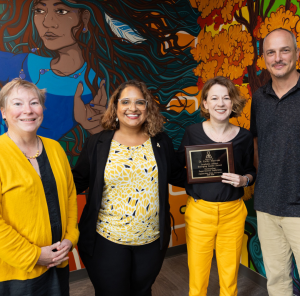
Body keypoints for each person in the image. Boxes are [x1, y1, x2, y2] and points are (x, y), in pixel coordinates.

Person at [0, 0, 201, 149]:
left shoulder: (101, 85)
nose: (47, 22)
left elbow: (120, 157)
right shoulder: (23, 61)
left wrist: (94, 128)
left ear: (84, 18)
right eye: (39, 10)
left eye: (61, 11)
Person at [72, 80, 186, 296]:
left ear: (147, 108)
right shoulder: (97, 143)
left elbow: (177, 175)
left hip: (151, 241)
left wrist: (213, 176)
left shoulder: (161, 142)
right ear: (115, 108)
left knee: (142, 292)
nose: (132, 108)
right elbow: (77, 181)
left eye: (139, 102)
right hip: (106, 240)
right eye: (125, 102)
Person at [177, 76, 256, 296]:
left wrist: (244, 180)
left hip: (233, 212)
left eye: (226, 98)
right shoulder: (192, 133)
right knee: (198, 275)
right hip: (200, 211)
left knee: (230, 276)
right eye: (214, 98)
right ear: (205, 104)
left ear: (232, 103)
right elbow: (179, 167)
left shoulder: (244, 137)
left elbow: (251, 170)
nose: (220, 103)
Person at [0, 79, 79, 296]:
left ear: (42, 109)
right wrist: (34, 255)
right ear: (3, 112)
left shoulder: (55, 148)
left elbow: (70, 196)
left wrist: (71, 238)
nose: (28, 110)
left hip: (58, 263)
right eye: (17, 104)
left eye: (34, 102)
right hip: (16, 272)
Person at [250, 28, 300, 296]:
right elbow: (258, 142)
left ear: (296, 53)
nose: (278, 57)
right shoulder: (259, 98)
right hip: (267, 206)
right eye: (271, 52)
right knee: (277, 281)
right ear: (264, 59)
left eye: (285, 50)